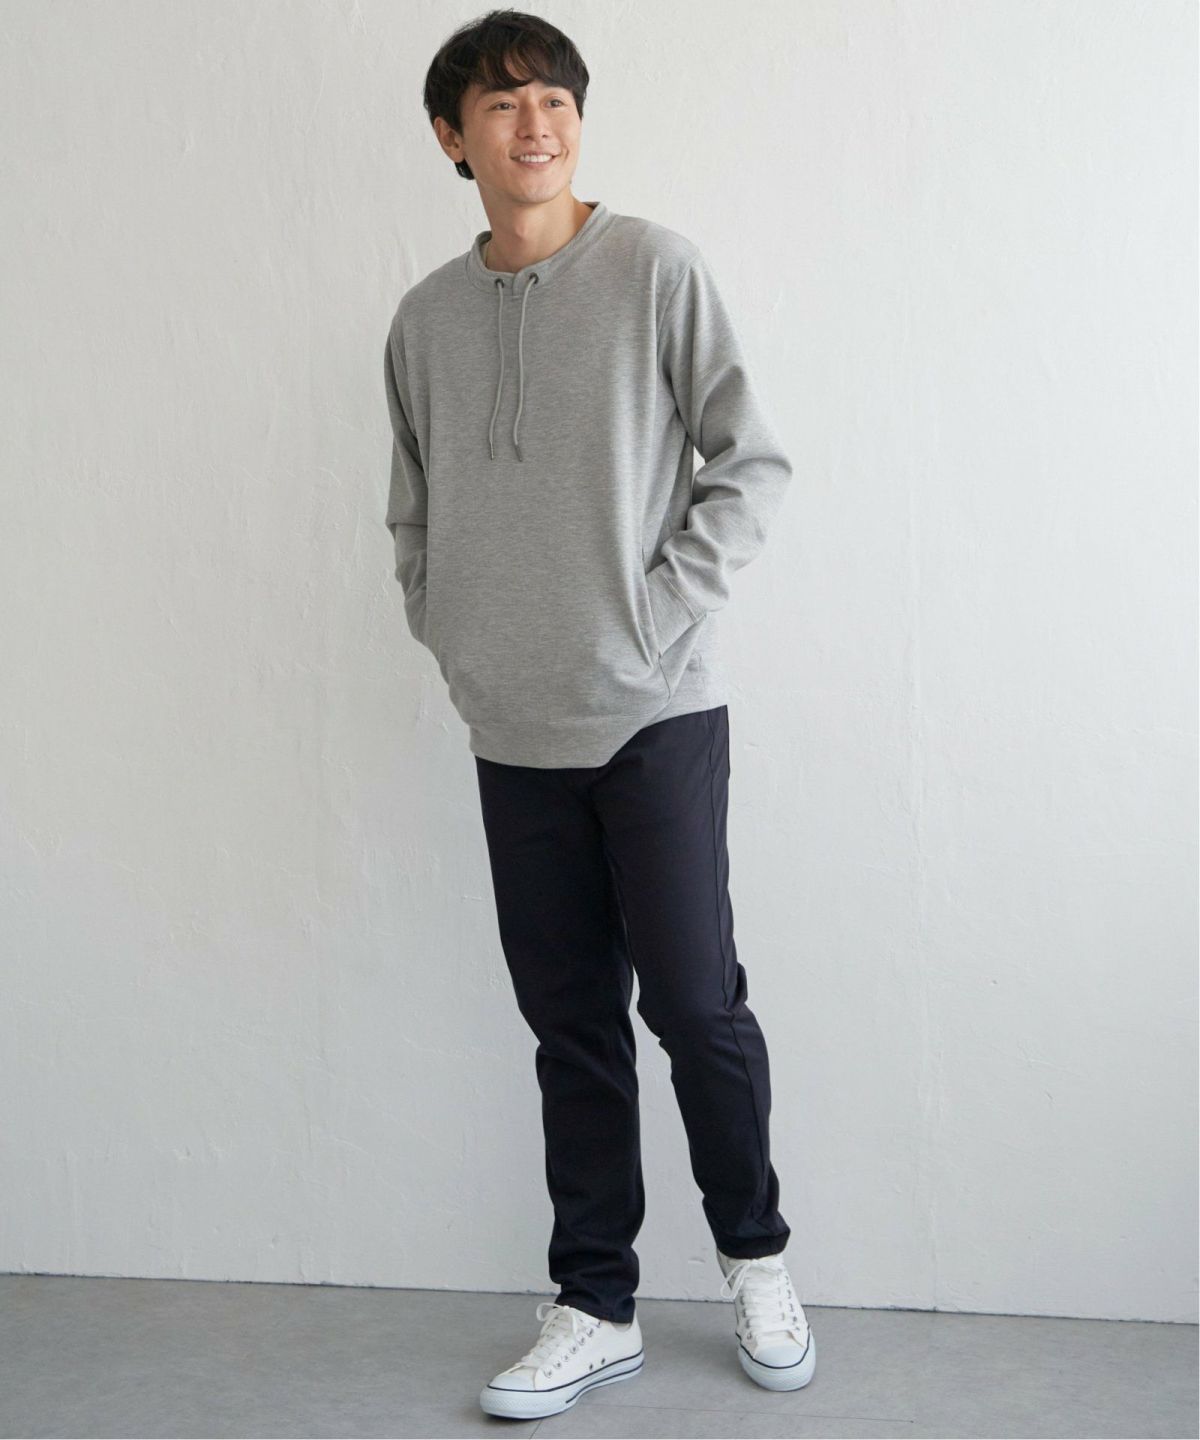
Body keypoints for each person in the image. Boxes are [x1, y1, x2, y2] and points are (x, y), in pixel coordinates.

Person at [383, 7, 816, 1420]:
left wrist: (652, 619)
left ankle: (755, 1256)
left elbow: (750, 464)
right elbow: (413, 510)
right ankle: (595, 1303)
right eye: (502, 104)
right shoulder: (425, 320)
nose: (537, 124)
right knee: (570, 1024)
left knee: (696, 1004)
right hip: (510, 727)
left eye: (556, 99)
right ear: (453, 139)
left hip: (654, 714)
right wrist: (453, 633)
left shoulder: (654, 270)